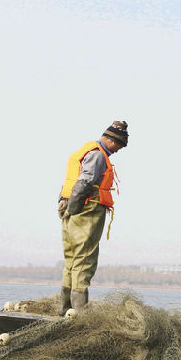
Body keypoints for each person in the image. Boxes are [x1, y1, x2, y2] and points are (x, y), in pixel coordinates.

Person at [57, 120, 129, 314]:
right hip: (86, 209)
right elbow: (85, 182)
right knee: (85, 257)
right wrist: (74, 208)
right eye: (119, 146)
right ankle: (79, 311)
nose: (118, 150)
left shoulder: (85, 151)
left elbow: (71, 181)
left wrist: (64, 204)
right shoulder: (98, 155)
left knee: (71, 258)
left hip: (69, 206)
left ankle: (65, 309)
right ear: (112, 141)